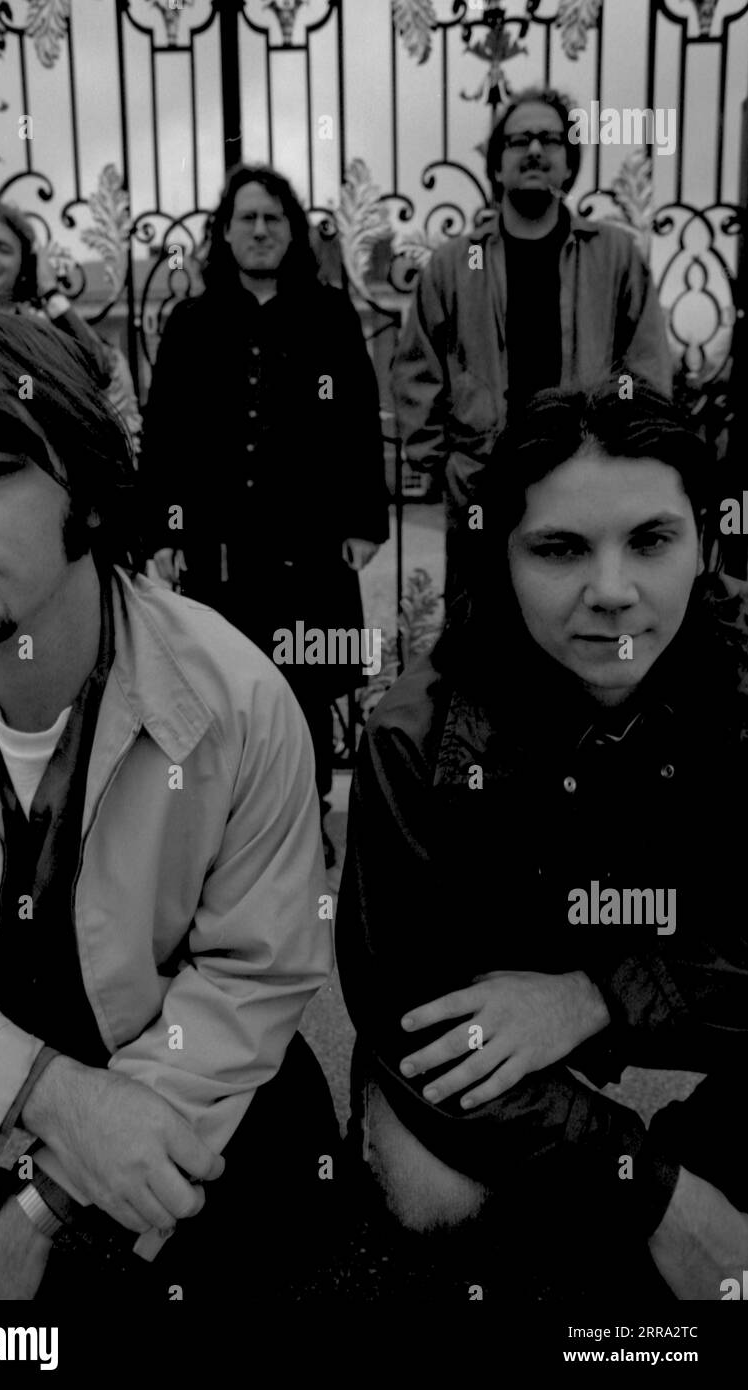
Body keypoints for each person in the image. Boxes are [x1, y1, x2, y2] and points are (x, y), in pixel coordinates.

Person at [0, 309, 337, 1302]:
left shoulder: (237, 701)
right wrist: (45, 1091)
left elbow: (253, 976)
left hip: (167, 1066)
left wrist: (37, 1207)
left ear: (90, 493)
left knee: (281, 1158)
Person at [337, 384, 748, 1301]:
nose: (610, 592)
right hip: (489, 1029)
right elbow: (410, 1015)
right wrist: (657, 1196)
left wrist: (598, 998)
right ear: (503, 561)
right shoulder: (418, 734)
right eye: (560, 549)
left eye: (650, 540)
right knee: (431, 1190)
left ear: (705, 548)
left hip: (661, 992)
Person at [141, 164, 389, 865]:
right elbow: (164, 433)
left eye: (272, 219)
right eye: (245, 218)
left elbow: (357, 424)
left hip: (307, 552)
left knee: (303, 695)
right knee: (222, 696)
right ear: (224, 232)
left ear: (291, 232)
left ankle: (305, 823)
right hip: (221, 553)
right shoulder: (192, 322)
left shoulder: (328, 314)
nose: (258, 230)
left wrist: (363, 522)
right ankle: (233, 837)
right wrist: (165, 529)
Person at [391, 87, 674, 602]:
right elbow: (417, 371)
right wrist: (441, 467)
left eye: (551, 139)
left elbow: (647, 368)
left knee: (574, 637)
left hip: (585, 491)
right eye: (520, 140)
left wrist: (621, 458)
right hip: (483, 490)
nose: (536, 150)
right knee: (479, 648)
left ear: (569, 165)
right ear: (496, 166)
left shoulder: (613, 255)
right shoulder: (455, 264)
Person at [0, 196, 142, 454]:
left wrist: (51, 292)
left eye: (3, 248)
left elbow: (101, 370)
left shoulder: (38, 336)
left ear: (24, 264)